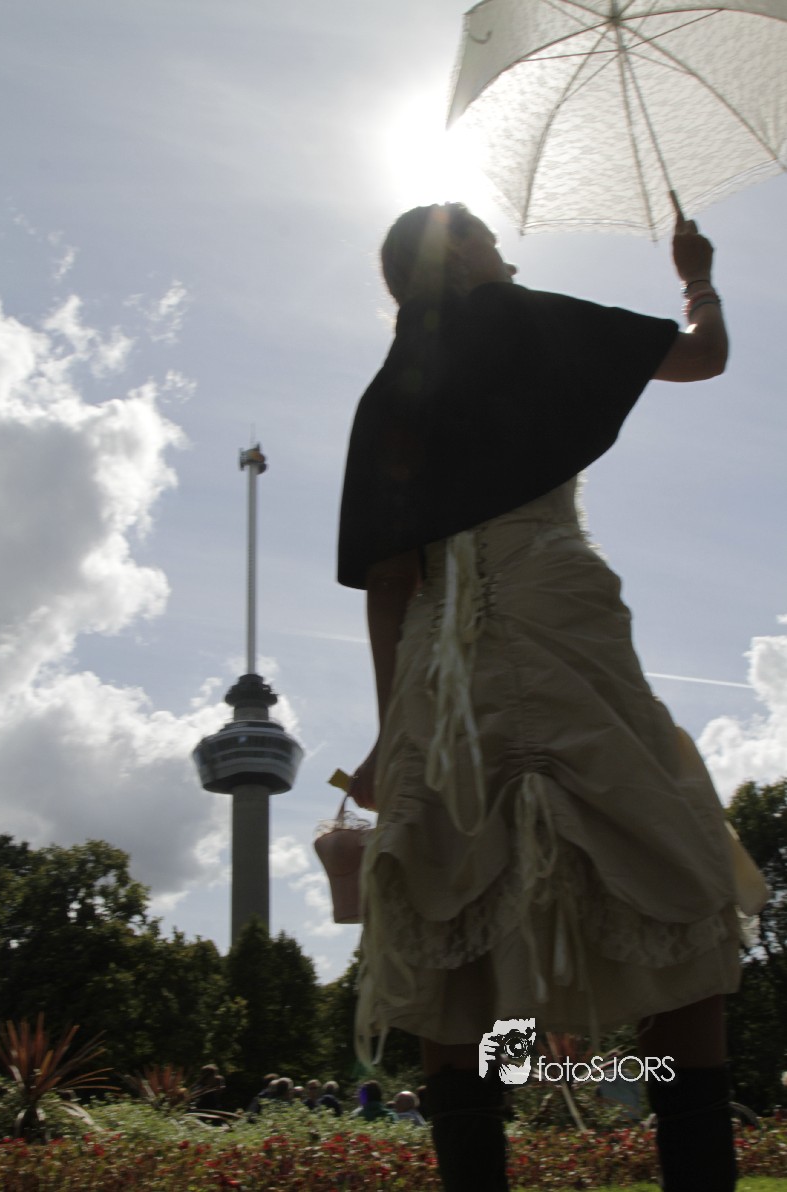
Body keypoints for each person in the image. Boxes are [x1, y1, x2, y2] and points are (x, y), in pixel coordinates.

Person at [337, 202, 768, 1192]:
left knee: (447, 906)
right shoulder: (527, 319)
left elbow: (392, 584)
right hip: (561, 614)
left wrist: (393, 733)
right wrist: (697, 279)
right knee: (662, 869)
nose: (507, 251)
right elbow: (703, 359)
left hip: (444, 661)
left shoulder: (387, 391)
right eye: (489, 237)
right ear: (462, 255)